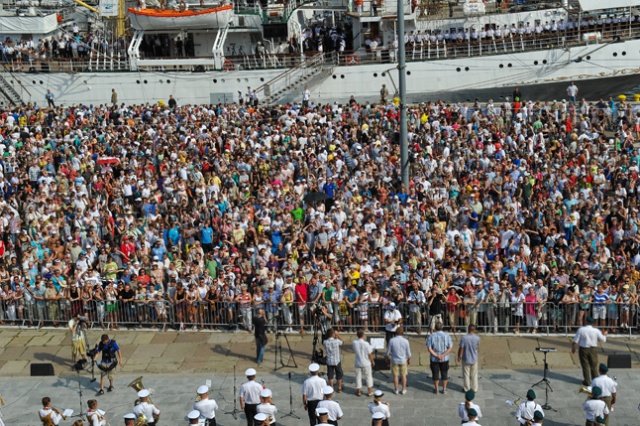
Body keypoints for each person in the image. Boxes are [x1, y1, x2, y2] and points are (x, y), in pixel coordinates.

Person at [572, 317, 607, 386]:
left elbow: (575, 340)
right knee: (594, 365)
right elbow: (603, 340)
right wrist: (605, 335)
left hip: (583, 349)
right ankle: (595, 380)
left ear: (586, 321)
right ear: (593, 323)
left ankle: (587, 381)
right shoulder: (596, 331)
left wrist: (573, 348)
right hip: (593, 349)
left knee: (585, 366)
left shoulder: (581, 329)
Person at [426, 322, 453, 394]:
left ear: (435, 328)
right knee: (444, 373)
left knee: (435, 373)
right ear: (442, 328)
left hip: (434, 359)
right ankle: (444, 389)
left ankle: (436, 389)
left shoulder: (431, 336)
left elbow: (429, 348)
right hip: (445, 358)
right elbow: (450, 347)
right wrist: (443, 355)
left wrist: (436, 355)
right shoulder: (447, 336)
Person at [386, 326, 411, 395]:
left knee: (395, 375)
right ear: (402, 333)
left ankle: (396, 389)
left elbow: (388, 352)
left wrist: (387, 358)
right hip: (403, 360)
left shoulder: (392, 340)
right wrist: (409, 359)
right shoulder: (406, 341)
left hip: (394, 360)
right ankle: (403, 389)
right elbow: (408, 353)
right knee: (403, 375)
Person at [457, 324, 480, 393]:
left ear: (468, 329)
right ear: (474, 330)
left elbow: (461, 348)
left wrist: (459, 356)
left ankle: (467, 388)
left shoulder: (464, 338)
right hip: (474, 358)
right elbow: (477, 346)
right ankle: (475, 388)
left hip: (466, 358)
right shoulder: (477, 338)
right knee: (474, 374)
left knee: (466, 374)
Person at [353, 329, 375, 397]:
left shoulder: (354, 342)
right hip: (366, 362)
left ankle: (358, 391)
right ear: (363, 335)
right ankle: (370, 391)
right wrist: (372, 361)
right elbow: (369, 354)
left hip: (358, 362)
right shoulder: (366, 344)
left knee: (358, 377)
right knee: (368, 377)